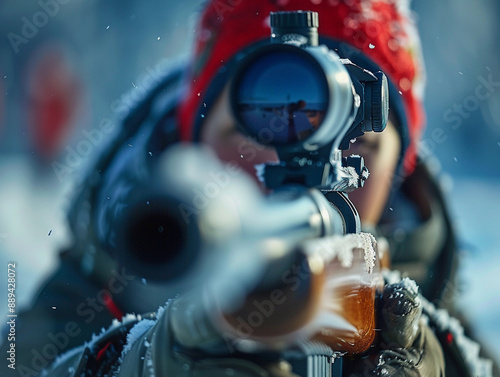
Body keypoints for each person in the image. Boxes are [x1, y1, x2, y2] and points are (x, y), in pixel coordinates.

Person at [1, 1, 495, 376]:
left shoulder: (424, 297)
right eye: (258, 128)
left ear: (400, 169)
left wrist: (436, 361)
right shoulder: (107, 280)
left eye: (356, 147)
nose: (291, 164)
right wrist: (146, 359)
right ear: (192, 138)